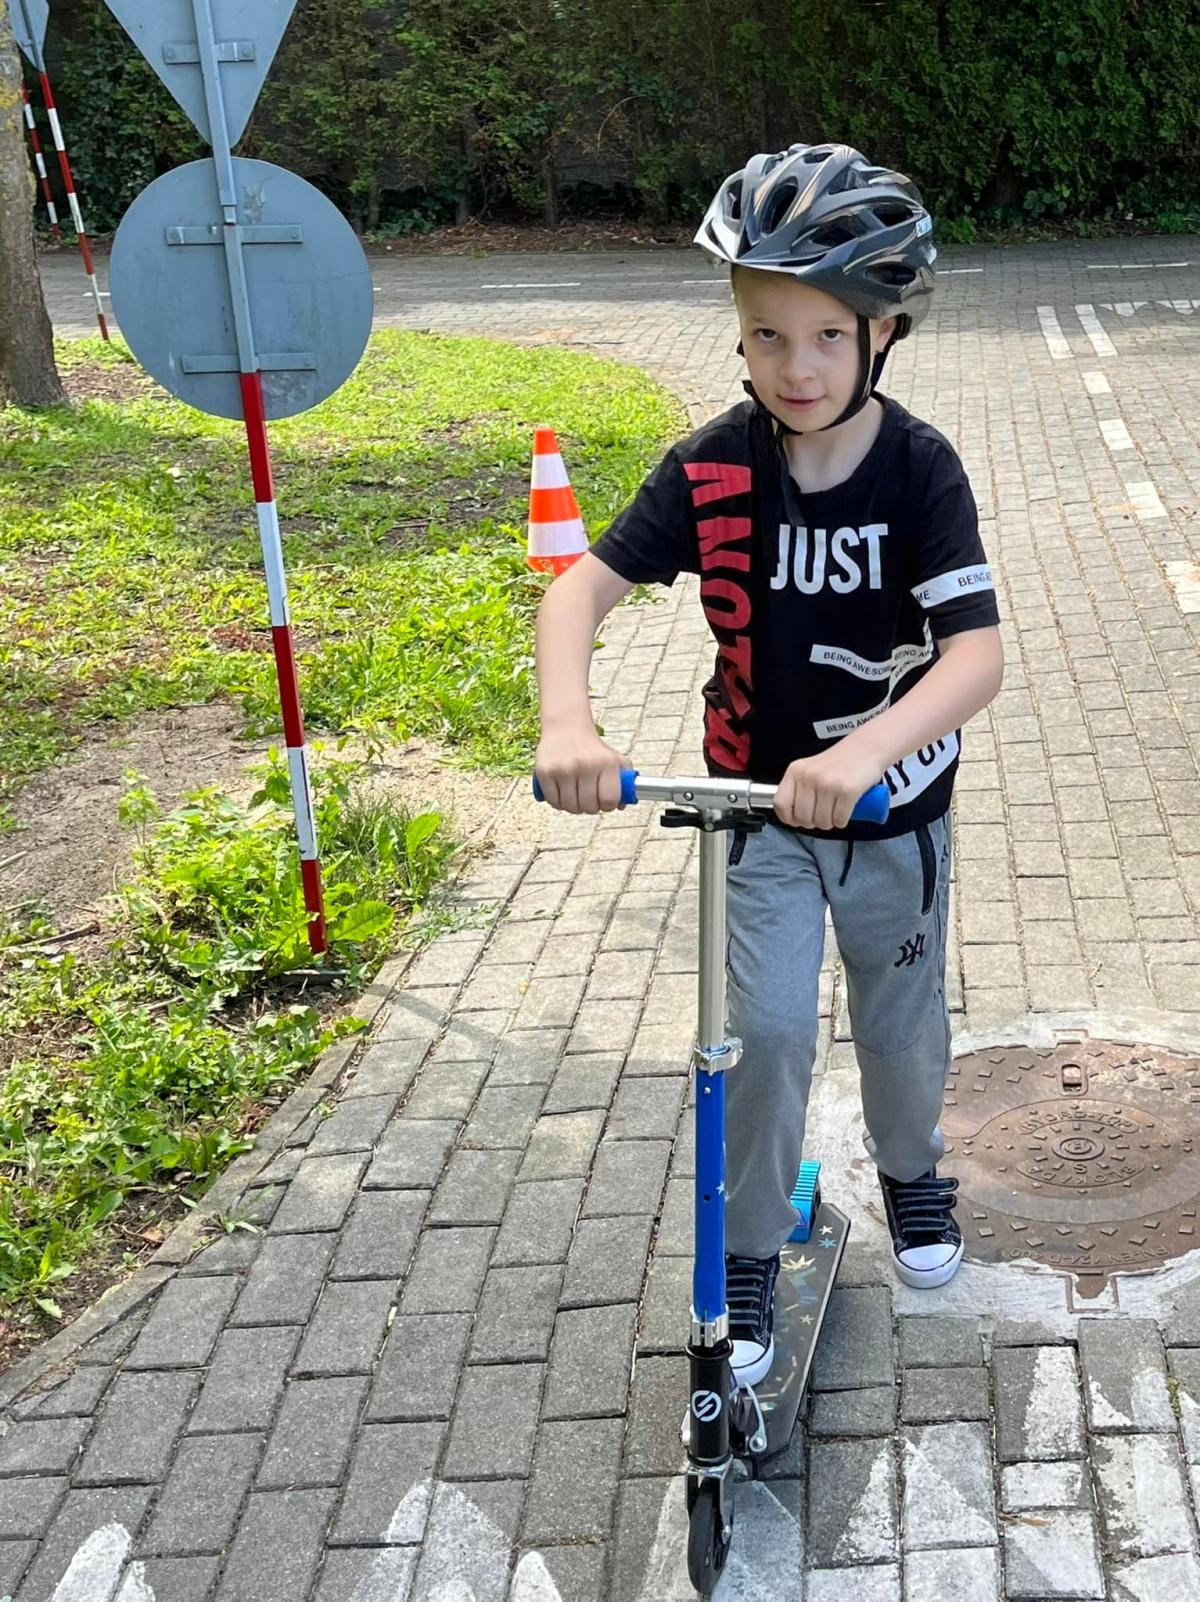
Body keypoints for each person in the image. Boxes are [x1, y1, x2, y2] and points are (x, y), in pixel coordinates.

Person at [533, 143, 1003, 1387]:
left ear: (883, 333)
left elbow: (975, 657)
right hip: (755, 813)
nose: (796, 368)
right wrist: (569, 723)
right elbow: (578, 591)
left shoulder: (921, 472)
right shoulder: (714, 468)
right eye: (766, 336)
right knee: (765, 1033)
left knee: (900, 1027)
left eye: (828, 337)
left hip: (894, 814)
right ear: (739, 334)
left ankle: (912, 1175)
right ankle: (745, 1248)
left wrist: (865, 752)